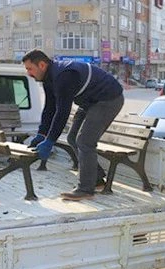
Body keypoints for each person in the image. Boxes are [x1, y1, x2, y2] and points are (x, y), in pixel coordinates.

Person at [22, 49, 124, 201]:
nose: (29, 73)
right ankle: (96, 179)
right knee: (72, 138)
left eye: (30, 69)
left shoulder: (64, 76)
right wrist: (41, 134)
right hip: (89, 101)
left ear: (42, 65)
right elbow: (50, 108)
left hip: (108, 99)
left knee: (85, 141)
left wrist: (50, 140)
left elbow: (62, 112)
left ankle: (85, 189)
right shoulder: (49, 78)